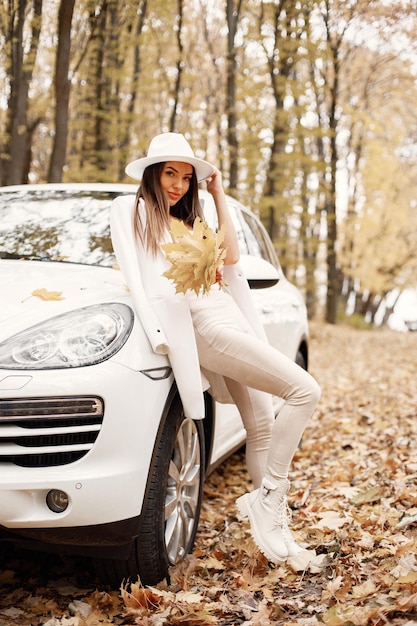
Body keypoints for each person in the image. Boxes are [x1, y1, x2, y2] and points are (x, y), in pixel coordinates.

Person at [110, 132, 321, 564]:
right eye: (170, 173)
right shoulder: (138, 214)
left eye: (186, 177)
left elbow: (233, 258)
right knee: (305, 391)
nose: (178, 185)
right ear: (152, 174)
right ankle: (268, 500)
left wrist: (217, 195)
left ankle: (273, 527)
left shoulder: (193, 221)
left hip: (230, 318)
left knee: (261, 423)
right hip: (205, 327)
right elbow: (136, 272)